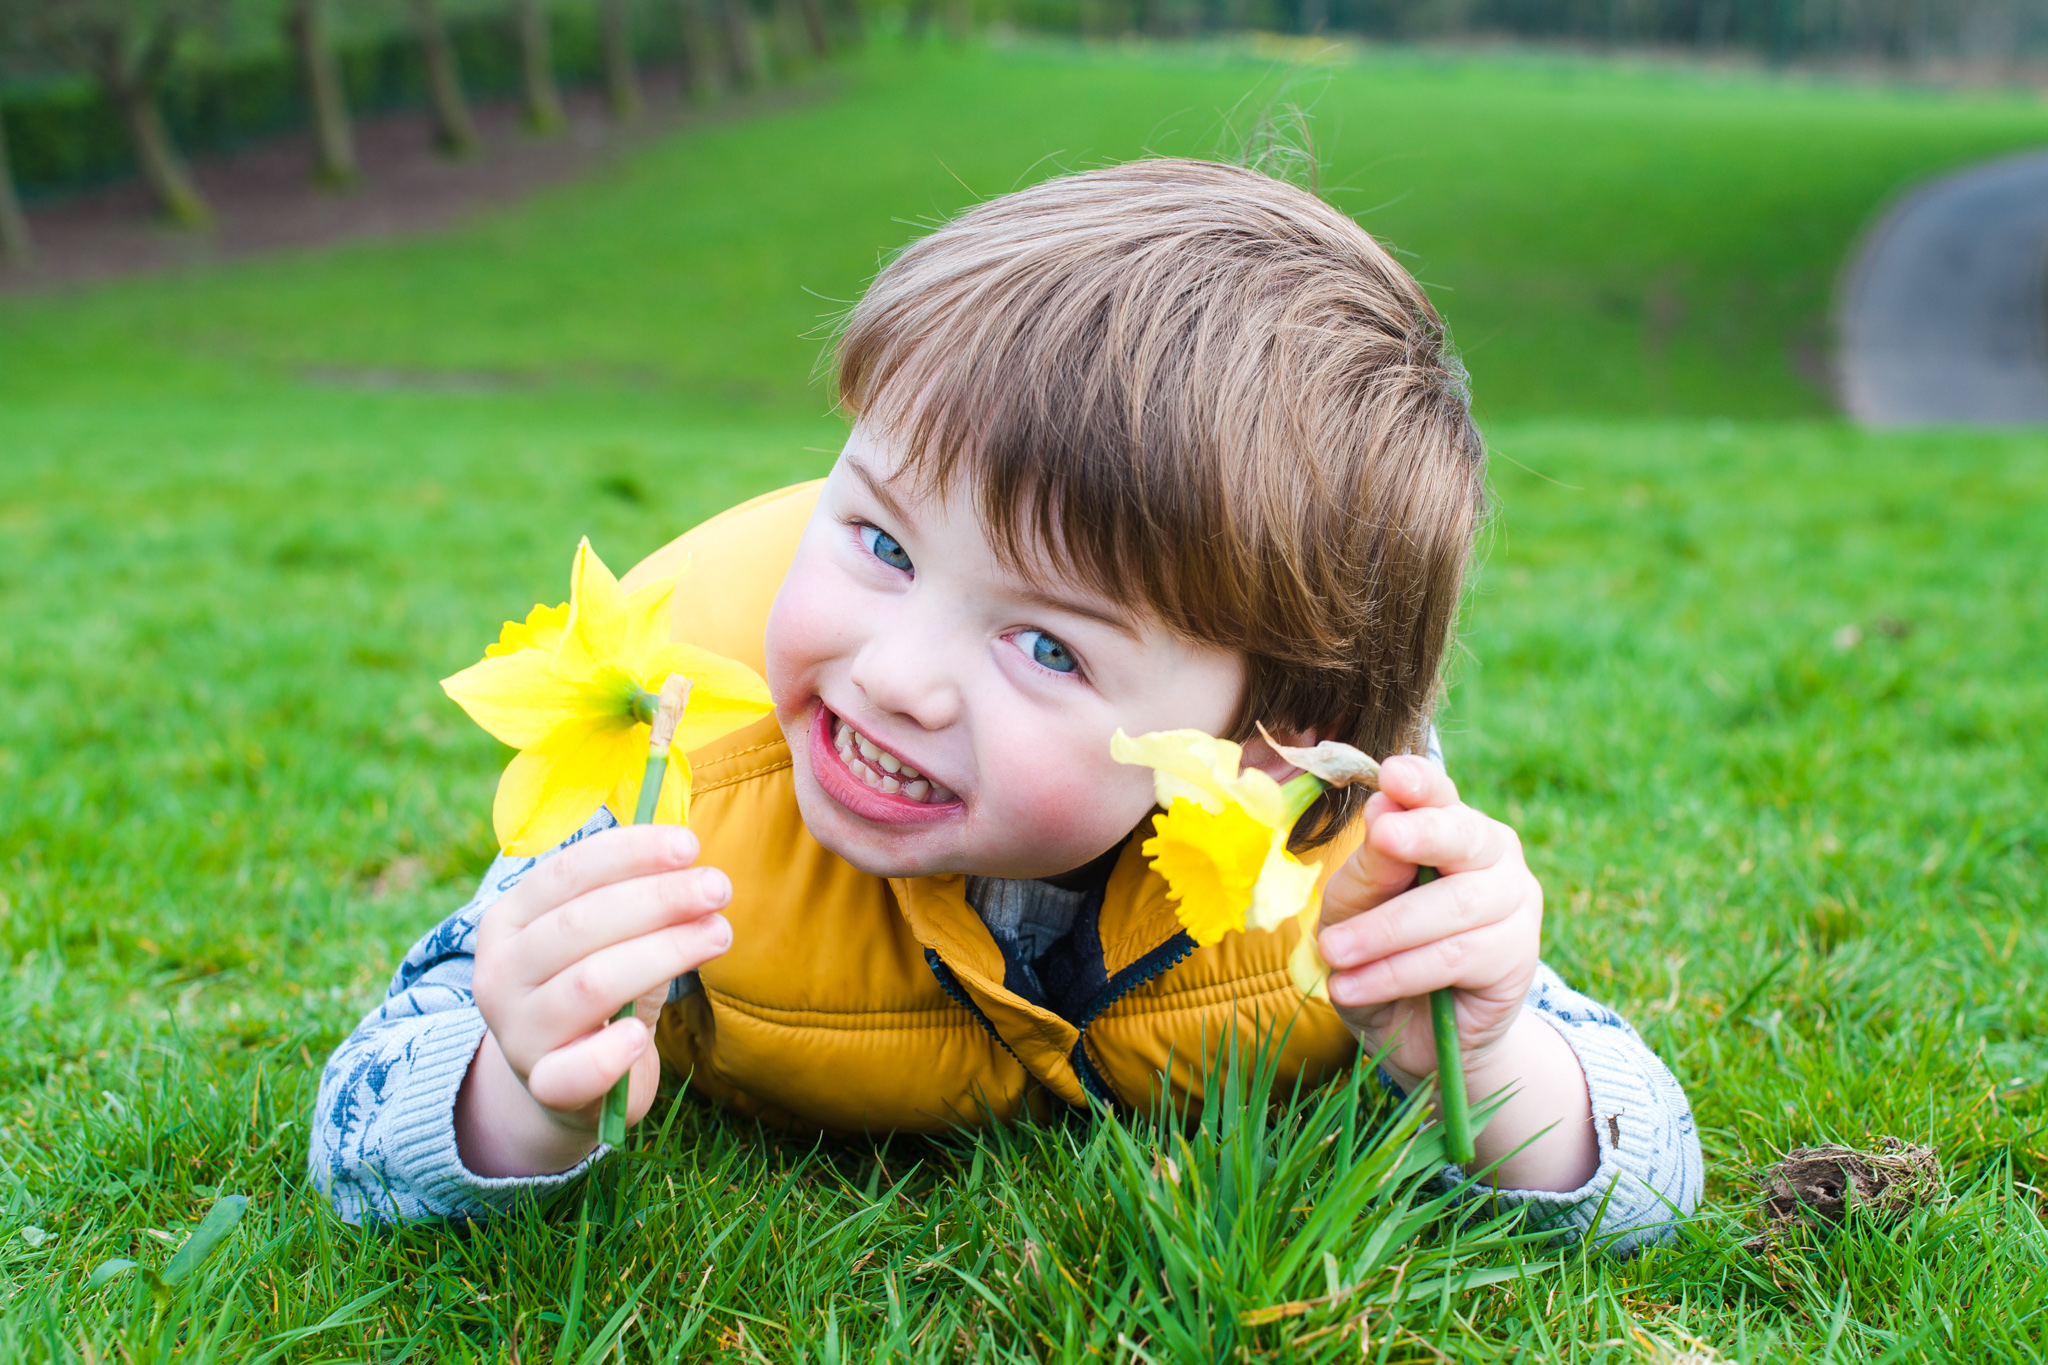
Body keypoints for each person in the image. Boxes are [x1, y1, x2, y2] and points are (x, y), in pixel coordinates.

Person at [312, 158, 1701, 1251]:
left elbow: (1655, 1173)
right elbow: (362, 1118)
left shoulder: (1338, 864)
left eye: (1046, 646)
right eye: (881, 541)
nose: (896, 672)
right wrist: (515, 1089)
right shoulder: (680, 771)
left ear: (1261, 743)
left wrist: (1498, 1059)